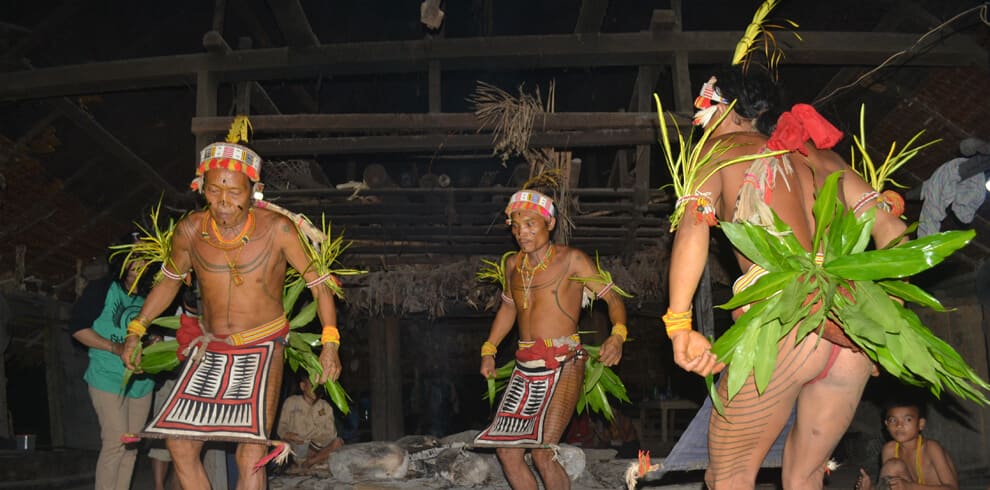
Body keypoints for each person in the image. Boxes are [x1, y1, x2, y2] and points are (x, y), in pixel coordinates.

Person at [663, 66, 908, 489]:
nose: (697, 116)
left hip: (786, 318)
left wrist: (679, 322)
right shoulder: (820, 156)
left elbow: (693, 226)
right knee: (806, 476)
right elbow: (895, 235)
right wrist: (886, 324)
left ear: (728, 107)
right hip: (849, 326)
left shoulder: (721, 149)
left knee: (727, 476)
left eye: (704, 104)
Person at [120, 132, 342, 490]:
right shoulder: (190, 230)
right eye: (213, 191)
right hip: (211, 347)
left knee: (250, 452)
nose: (223, 201)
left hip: (263, 344)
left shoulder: (278, 230)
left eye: (234, 193)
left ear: (254, 190)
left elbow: (319, 285)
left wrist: (330, 342)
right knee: (179, 444)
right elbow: (169, 280)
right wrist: (136, 329)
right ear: (200, 187)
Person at [474, 189, 628, 490]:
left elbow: (612, 298)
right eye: (516, 226)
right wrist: (489, 349)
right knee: (507, 452)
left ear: (551, 223)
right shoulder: (512, 265)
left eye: (531, 224)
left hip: (565, 361)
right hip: (525, 366)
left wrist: (617, 335)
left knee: (543, 451)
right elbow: (509, 306)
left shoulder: (572, 260)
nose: (522, 232)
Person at [69, 238, 155, 490]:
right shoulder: (102, 289)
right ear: (122, 264)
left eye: (144, 263)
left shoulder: (152, 297)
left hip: (141, 382)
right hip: (106, 376)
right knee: (115, 442)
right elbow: (78, 329)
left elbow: (155, 335)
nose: (139, 268)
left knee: (130, 446)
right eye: (134, 262)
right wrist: (115, 347)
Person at [857, 401, 959, 490]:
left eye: (908, 419)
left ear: (921, 424)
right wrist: (870, 488)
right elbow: (890, 486)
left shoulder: (932, 448)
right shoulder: (889, 449)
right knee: (893, 465)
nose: (899, 425)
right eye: (893, 420)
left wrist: (910, 487)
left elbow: (953, 488)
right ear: (886, 425)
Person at [277, 375, 344, 470]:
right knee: (282, 443)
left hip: (315, 448)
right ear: (303, 386)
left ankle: (309, 463)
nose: (317, 389)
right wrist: (289, 435)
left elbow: (331, 433)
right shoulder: (291, 402)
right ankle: (298, 463)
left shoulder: (325, 406)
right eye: (313, 385)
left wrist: (314, 442)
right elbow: (281, 427)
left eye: (319, 386)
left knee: (338, 442)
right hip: (296, 446)